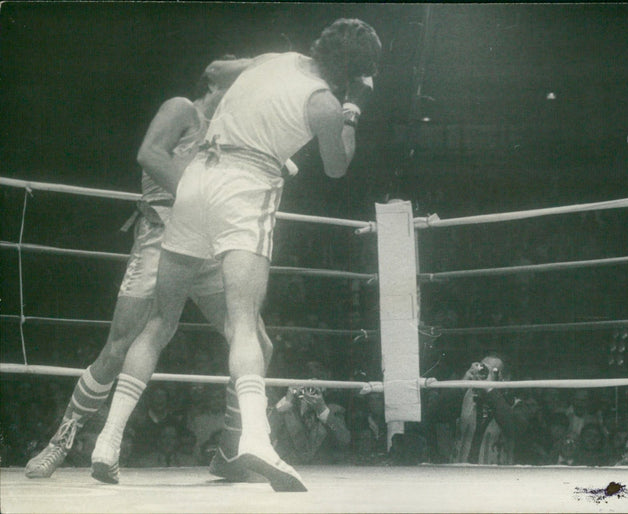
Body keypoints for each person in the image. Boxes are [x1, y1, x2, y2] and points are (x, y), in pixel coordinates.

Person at [91, 18, 382, 492]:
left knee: (160, 322)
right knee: (243, 321)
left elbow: (215, 69)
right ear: (355, 72)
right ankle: (256, 439)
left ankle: (107, 440)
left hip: (197, 179)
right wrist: (353, 108)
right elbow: (336, 166)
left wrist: (254, 72)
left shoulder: (278, 60)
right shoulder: (324, 103)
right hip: (246, 185)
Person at [23, 59, 249, 479]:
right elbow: (149, 155)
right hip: (161, 237)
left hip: (207, 246)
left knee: (253, 340)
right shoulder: (183, 108)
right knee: (119, 345)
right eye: (236, 84)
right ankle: (61, 442)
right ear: (214, 81)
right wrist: (201, 195)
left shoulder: (227, 131)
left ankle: (232, 452)